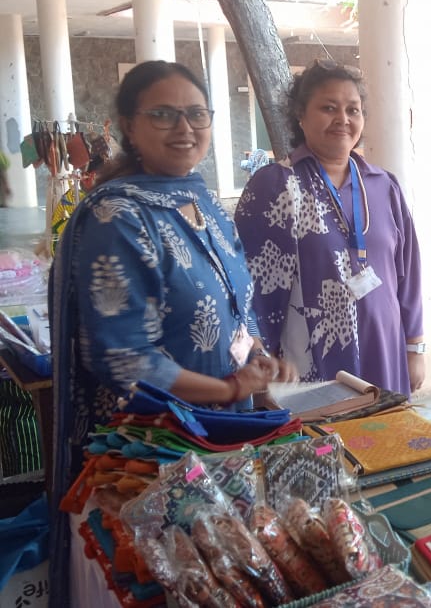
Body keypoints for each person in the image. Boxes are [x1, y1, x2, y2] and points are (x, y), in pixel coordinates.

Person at [49, 60, 295, 603]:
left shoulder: (200, 198)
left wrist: (259, 354)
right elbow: (127, 362)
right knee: (180, 582)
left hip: (220, 435)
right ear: (127, 128)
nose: (184, 128)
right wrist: (232, 389)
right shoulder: (118, 216)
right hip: (152, 453)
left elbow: (237, 303)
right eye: (163, 115)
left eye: (195, 114)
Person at [235, 59, 426, 396]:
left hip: (384, 350)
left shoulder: (383, 185)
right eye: (328, 108)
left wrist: (415, 348)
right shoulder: (275, 186)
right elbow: (252, 286)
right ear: (300, 115)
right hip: (312, 355)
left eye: (353, 109)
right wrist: (262, 358)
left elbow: (407, 272)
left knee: (388, 442)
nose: (343, 119)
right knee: (327, 446)